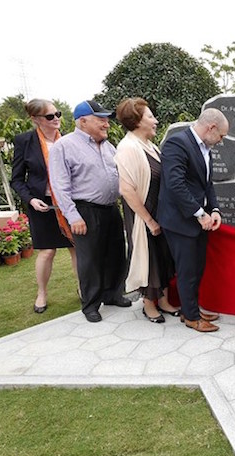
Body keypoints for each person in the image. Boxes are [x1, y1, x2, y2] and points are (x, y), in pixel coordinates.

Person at [49, 100, 130, 323]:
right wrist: (73, 215)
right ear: (83, 121)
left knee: (115, 253)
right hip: (85, 210)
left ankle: (113, 294)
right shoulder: (64, 146)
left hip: (110, 208)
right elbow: (59, 185)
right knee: (90, 259)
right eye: (101, 119)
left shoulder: (107, 145)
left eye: (106, 119)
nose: (106, 124)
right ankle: (91, 304)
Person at [157, 108, 228, 333]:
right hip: (180, 221)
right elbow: (175, 184)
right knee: (187, 270)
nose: (221, 141)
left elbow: (207, 184)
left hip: (199, 221)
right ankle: (191, 317)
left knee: (196, 268)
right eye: (221, 136)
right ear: (211, 127)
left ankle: (192, 308)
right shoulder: (177, 144)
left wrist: (214, 209)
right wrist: (200, 213)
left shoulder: (206, 148)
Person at [114, 97, 179, 324]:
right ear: (137, 121)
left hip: (159, 211)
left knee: (163, 256)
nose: (156, 120)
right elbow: (127, 189)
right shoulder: (128, 147)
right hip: (143, 214)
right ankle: (149, 305)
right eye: (151, 116)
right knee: (148, 258)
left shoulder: (149, 145)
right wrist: (149, 220)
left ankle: (163, 301)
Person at [10, 99, 77, 314]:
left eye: (57, 114)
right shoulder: (24, 141)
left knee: (76, 248)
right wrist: (30, 199)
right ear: (35, 119)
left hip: (68, 203)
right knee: (47, 252)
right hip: (42, 205)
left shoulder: (68, 141)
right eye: (50, 116)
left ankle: (84, 288)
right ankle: (42, 293)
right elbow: (17, 179)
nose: (56, 118)